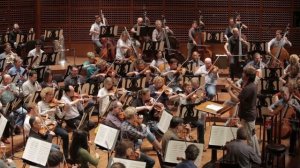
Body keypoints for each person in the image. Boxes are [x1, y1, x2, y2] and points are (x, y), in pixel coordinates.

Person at [37, 87, 69, 158]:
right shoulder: (40, 103)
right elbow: (39, 115)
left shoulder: (54, 103)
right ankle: (48, 156)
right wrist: (48, 111)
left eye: (52, 94)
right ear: (45, 95)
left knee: (66, 135)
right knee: (48, 137)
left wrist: (65, 110)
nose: (52, 96)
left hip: (54, 125)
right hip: (45, 126)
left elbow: (60, 116)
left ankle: (66, 155)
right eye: (50, 94)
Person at [236, 66, 260, 156]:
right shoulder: (250, 85)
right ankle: (257, 154)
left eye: (243, 73)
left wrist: (229, 89)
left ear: (248, 76)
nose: (242, 74)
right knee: (253, 136)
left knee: (250, 138)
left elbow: (236, 99)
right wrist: (232, 85)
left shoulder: (249, 87)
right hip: (249, 114)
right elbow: (242, 92)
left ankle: (252, 157)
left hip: (248, 116)